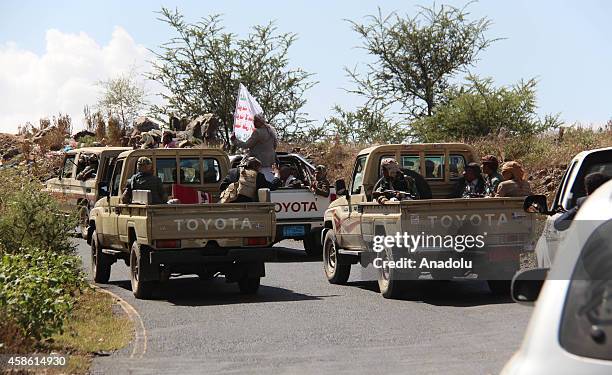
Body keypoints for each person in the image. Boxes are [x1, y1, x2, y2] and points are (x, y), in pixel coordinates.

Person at [230, 113, 278, 181]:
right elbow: (275, 146)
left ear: (260, 122)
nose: (254, 123)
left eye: (256, 121)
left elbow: (247, 145)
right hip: (269, 166)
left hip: (258, 165)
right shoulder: (271, 131)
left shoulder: (257, 132)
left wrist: (235, 140)